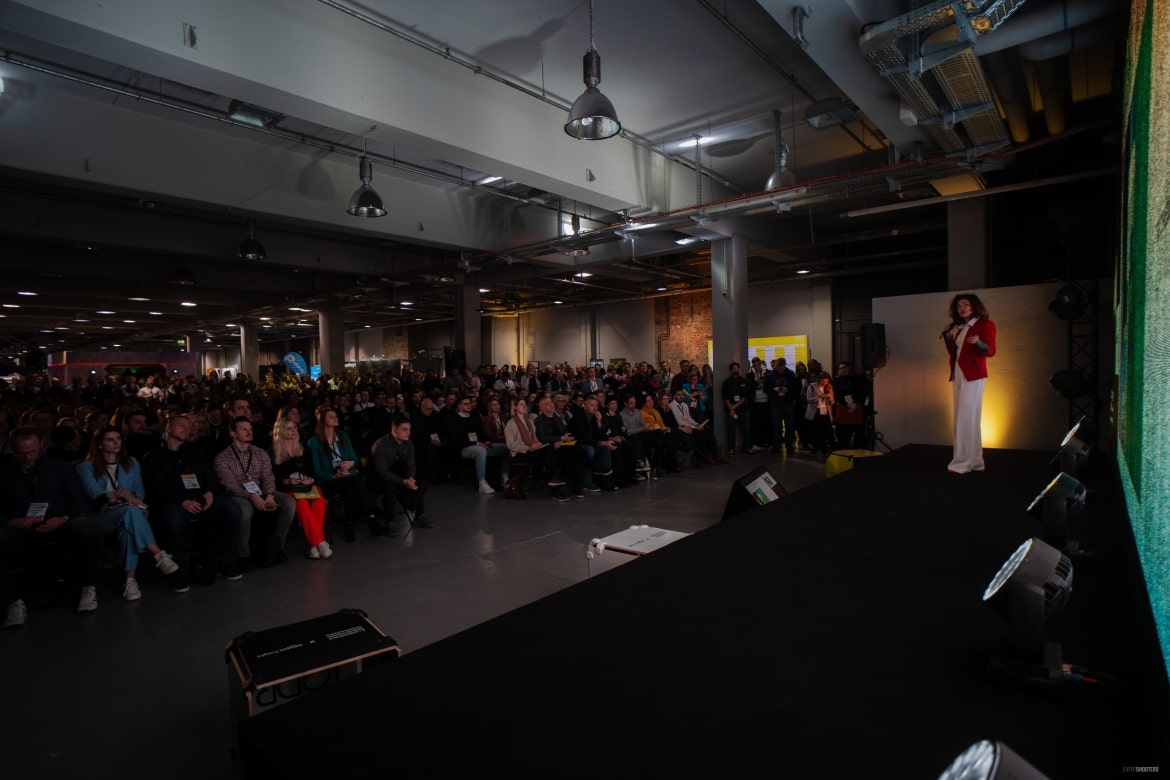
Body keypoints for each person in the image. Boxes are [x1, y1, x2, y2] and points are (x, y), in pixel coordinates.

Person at [1, 427, 102, 627]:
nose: (28, 457)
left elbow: (77, 500)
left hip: (59, 521)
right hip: (21, 526)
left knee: (89, 528)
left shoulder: (61, 468)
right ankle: (13, 601)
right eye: (22, 453)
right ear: (13, 450)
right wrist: (14, 521)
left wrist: (62, 518)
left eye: (32, 451)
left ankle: (88, 587)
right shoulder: (4, 474)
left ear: (42, 446)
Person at [76, 427, 181, 600]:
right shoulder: (85, 467)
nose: (116, 442)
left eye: (118, 438)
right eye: (110, 439)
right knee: (131, 513)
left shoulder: (131, 462)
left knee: (128, 526)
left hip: (131, 511)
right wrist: (122, 495)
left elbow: (139, 492)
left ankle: (130, 581)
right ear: (100, 444)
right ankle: (158, 554)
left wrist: (126, 497)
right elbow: (96, 496)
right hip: (103, 515)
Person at [142, 414, 244, 589]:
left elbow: (210, 476)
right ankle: (179, 570)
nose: (186, 429)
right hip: (174, 502)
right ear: (168, 428)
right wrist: (183, 501)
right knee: (174, 518)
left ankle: (225, 560)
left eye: (188, 426)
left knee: (232, 509)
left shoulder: (197, 452)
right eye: (181, 425)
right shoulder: (154, 457)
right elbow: (159, 487)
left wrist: (210, 493)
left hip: (201, 498)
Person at [213, 416, 296, 568]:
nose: (249, 432)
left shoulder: (260, 453)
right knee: (244, 509)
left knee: (289, 503)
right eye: (243, 429)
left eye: (250, 429)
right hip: (239, 494)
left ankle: (277, 546)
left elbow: (268, 477)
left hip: (261, 490)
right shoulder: (222, 458)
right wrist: (252, 496)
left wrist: (269, 495)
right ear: (233, 434)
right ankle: (243, 555)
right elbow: (229, 485)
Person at [943, 292, 997, 474]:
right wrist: (949, 337)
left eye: (965, 304)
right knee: (962, 417)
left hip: (973, 375)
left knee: (966, 417)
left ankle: (963, 462)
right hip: (958, 374)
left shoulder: (985, 325)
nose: (962, 308)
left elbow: (991, 351)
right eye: (959, 306)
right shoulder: (961, 327)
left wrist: (978, 342)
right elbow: (955, 353)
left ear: (974, 306)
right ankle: (974, 461)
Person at [307, 406, 376, 542]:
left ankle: (349, 524)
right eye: (331, 417)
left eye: (336, 416)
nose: (335, 418)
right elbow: (317, 470)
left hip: (346, 474)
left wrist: (351, 463)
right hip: (329, 480)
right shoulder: (314, 442)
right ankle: (370, 517)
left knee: (351, 490)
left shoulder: (343, 435)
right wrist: (333, 476)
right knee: (355, 482)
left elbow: (354, 458)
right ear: (323, 421)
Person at [271, 418, 331, 559]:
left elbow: (313, 472)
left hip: (307, 486)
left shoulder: (303, 448)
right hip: (289, 489)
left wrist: (310, 479)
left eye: (294, 428)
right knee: (302, 504)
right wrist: (287, 480)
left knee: (319, 501)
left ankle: (313, 545)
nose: (293, 431)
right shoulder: (273, 451)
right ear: (280, 431)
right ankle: (320, 542)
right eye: (289, 428)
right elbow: (273, 480)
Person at [369, 414, 434, 533]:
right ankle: (389, 521)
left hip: (398, 472)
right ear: (394, 430)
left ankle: (418, 514)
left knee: (422, 482)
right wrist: (403, 481)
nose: (408, 432)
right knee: (389, 486)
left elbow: (411, 464)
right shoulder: (382, 445)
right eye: (404, 429)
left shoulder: (408, 443)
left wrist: (411, 479)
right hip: (379, 476)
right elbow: (382, 472)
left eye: (409, 429)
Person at [806, 372, 835, 458]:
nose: (824, 383)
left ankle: (831, 448)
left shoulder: (829, 387)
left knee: (828, 430)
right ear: (819, 379)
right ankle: (820, 449)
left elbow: (833, 401)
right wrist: (818, 397)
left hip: (825, 411)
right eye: (823, 381)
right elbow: (808, 400)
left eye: (826, 381)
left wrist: (829, 398)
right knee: (817, 431)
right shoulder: (812, 386)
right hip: (816, 411)